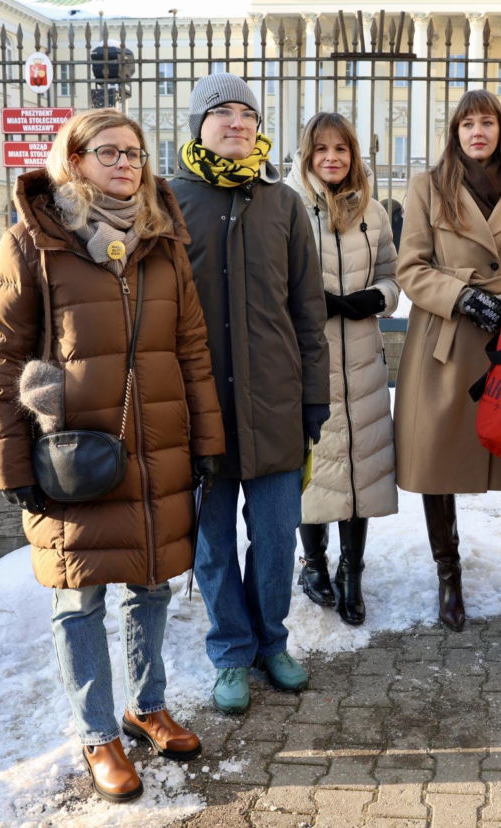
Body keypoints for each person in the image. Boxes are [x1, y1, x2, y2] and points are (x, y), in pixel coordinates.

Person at [0, 109, 225, 802]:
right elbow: (1, 361)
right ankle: (98, 733)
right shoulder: (33, 242)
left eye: (137, 153)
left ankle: (146, 706)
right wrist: (10, 462)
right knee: (79, 595)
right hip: (72, 456)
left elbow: (192, 348)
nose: (126, 164)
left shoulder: (162, 241)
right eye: (109, 151)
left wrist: (206, 439)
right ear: (75, 158)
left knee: (152, 582)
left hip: (157, 448)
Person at [171, 73, 330, 712]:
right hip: (196, 409)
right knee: (211, 545)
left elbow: (307, 310)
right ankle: (231, 652)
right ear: (198, 125)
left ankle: (272, 642)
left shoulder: (283, 205)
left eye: (247, 114)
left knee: (274, 536)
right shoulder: (167, 201)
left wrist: (314, 400)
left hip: (275, 406)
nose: (237, 123)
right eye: (222, 113)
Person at [393, 89, 501, 630]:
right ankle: (448, 573)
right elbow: (410, 267)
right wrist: (465, 297)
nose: (478, 132)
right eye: (467, 124)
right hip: (446, 339)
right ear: (454, 133)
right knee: (439, 458)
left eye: (488, 123)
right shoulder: (427, 188)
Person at [287, 112, 400, 626]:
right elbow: (274, 281)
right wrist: (313, 303)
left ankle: (353, 569)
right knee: (315, 465)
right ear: (307, 154)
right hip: (306, 357)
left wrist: (376, 297)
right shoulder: (287, 206)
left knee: (360, 464)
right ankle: (314, 563)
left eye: (342, 149)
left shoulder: (373, 212)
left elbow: (392, 275)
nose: (332, 157)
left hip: (362, 356)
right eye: (322, 149)